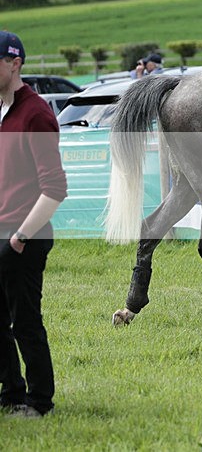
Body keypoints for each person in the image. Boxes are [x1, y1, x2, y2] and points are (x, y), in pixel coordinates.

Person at [0, 31, 67, 418]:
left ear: (15, 63)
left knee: (25, 322)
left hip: (26, 234)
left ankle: (40, 402)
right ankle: (10, 395)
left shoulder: (36, 113)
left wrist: (20, 237)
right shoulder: (3, 110)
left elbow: (55, 187)